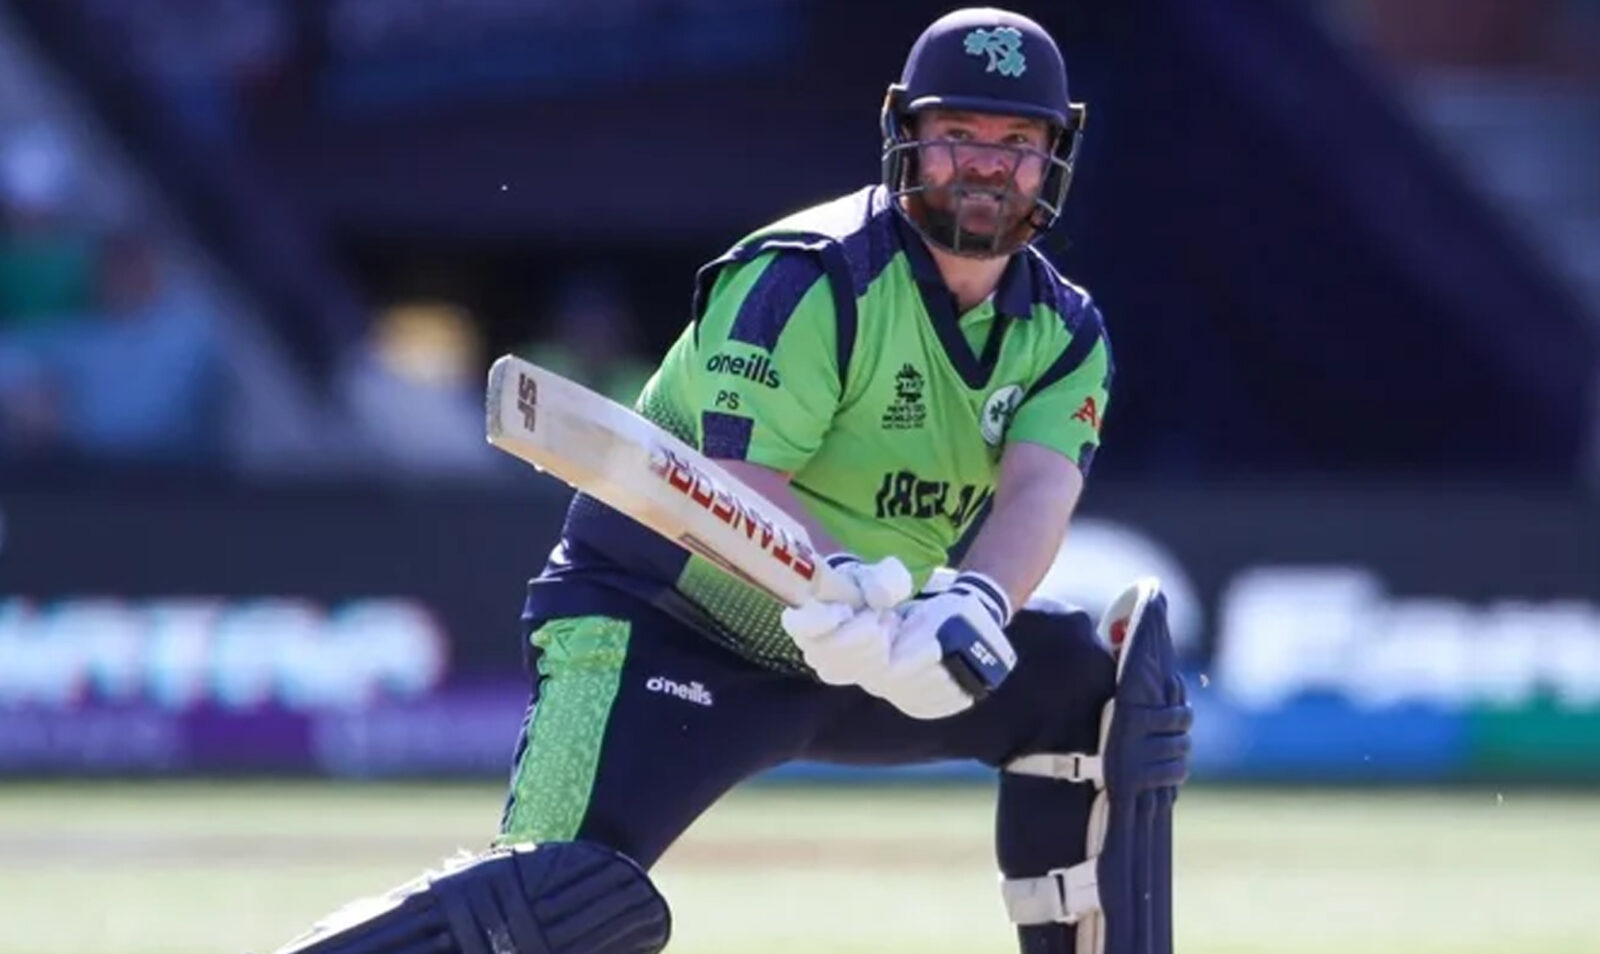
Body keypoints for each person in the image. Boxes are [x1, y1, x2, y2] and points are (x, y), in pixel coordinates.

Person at [271, 9, 1192, 954]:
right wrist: (839, 581)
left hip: (876, 641)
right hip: (670, 624)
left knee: (1094, 691)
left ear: (1054, 157)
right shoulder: (811, 277)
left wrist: (975, 602)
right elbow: (734, 475)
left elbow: (1039, 489)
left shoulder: (1065, 333)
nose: (988, 165)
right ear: (907, 136)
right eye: (959, 132)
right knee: (561, 902)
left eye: (1017, 142)